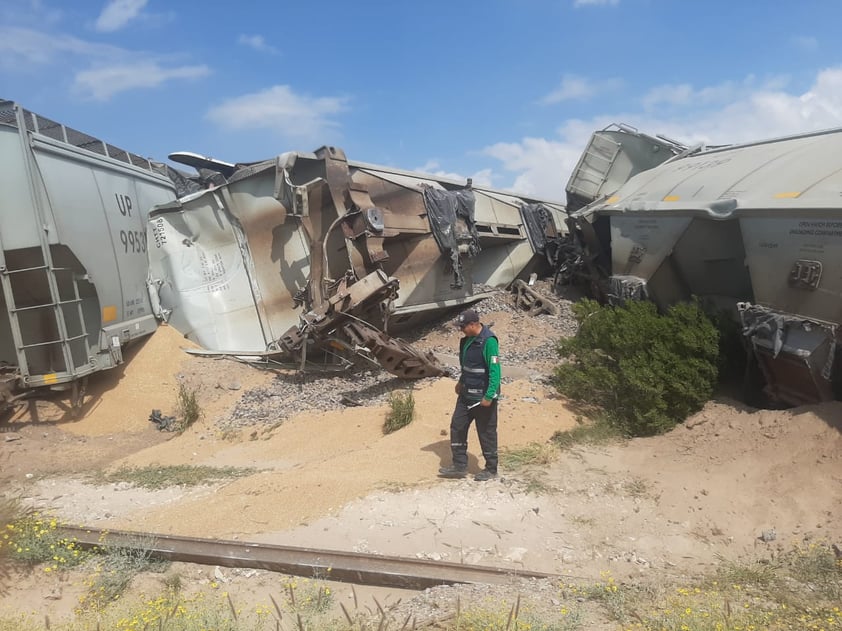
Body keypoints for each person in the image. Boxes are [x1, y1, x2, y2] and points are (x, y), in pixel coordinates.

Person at [438, 308, 501, 481]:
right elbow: (467, 366)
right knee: (457, 426)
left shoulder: (489, 342)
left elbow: (495, 372)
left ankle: (491, 469)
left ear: (474, 324)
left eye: (463, 326)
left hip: (483, 399)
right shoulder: (465, 341)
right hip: (466, 395)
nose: (461, 330)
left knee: (486, 433)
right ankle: (459, 466)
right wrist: (461, 381)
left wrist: (489, 396)